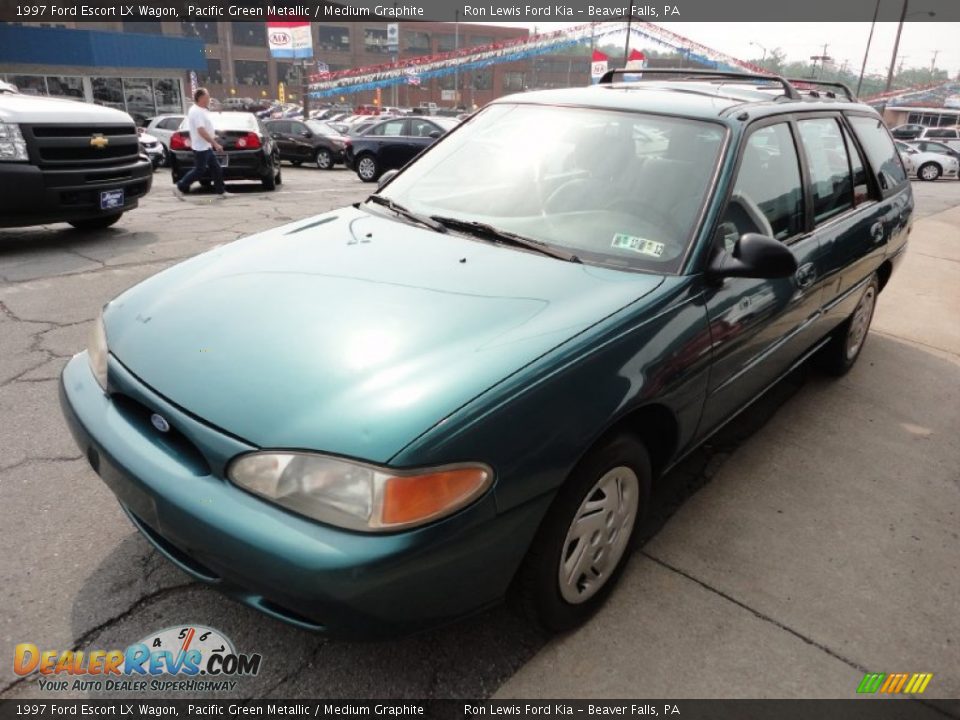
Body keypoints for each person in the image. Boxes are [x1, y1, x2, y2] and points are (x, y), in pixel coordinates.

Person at [172, 88, 228, 200]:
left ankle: (220, 192)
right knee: (199, 171)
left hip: (206, 146)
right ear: (201, 98)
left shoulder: (202, 110)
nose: (209, 99)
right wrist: (215, 144)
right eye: (207, 97)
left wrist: (213, 136)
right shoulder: (196, 111)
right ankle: (179, 186)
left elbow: (205, 128)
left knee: (216, 168)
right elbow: (201, 130)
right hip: (200, 148)